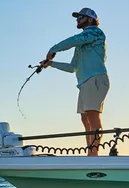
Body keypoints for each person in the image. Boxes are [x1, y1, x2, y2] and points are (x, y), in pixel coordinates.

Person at [41, 8, 109, 156]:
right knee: (85, 119)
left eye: (80, 17)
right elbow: (72, 68)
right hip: (85, 82)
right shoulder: (81, 44)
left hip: (95, 78)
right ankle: (91, 153)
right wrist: (51, 64)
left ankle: (93, 155)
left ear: (90, 19)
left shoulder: (95, 32)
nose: (77, 20)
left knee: (92, 116)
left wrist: (53, 49)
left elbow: (74, 40)